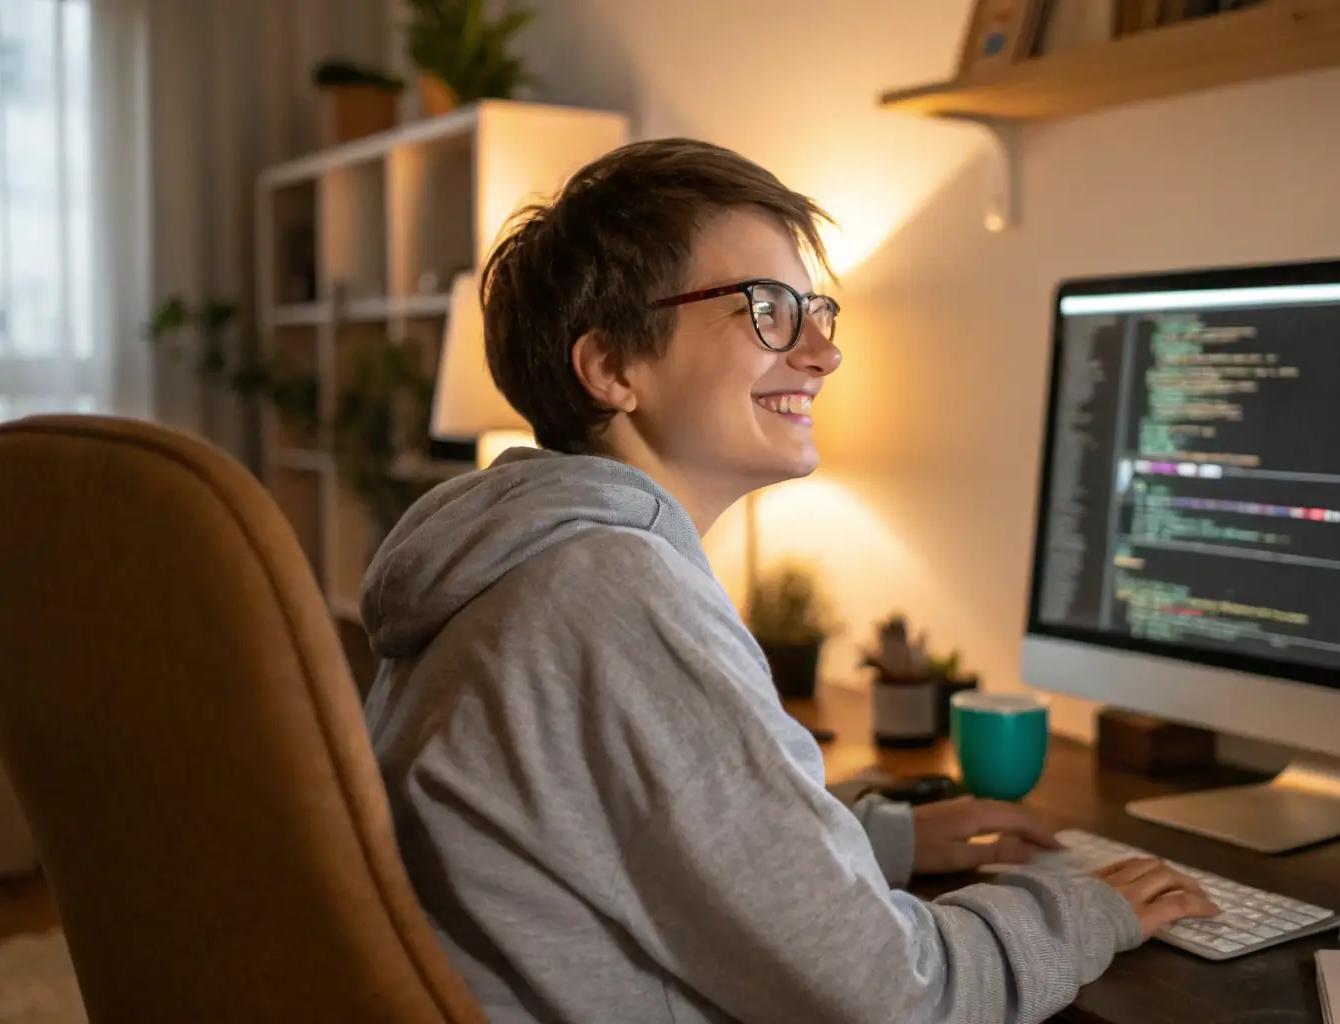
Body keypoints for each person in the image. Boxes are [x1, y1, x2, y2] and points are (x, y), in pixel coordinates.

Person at [360, 137, 1219, 1024]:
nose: (822, 353)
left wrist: (870, 837)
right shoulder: (609, 591)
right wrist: (1089, 910)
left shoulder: (534, 564)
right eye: (767, 308)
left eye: (815, 309)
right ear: (613, 367)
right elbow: (892, 998)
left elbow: (636, 835)